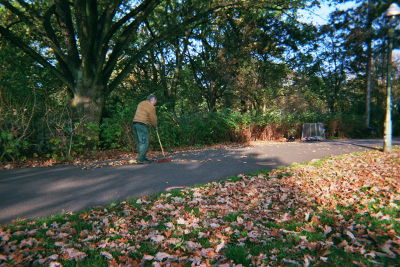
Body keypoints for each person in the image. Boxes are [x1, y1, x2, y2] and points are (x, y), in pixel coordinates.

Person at [132, 95, 158, 164]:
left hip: (135, 124)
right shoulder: (151, 107)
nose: (155, 104)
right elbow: (153, 118)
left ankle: (142, 157)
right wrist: (155, 126)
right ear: (152, 100)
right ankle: (141, 159)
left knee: (139, 142)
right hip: (142, 125)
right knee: (144, 142)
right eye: (155, 102)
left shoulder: (141, 103)